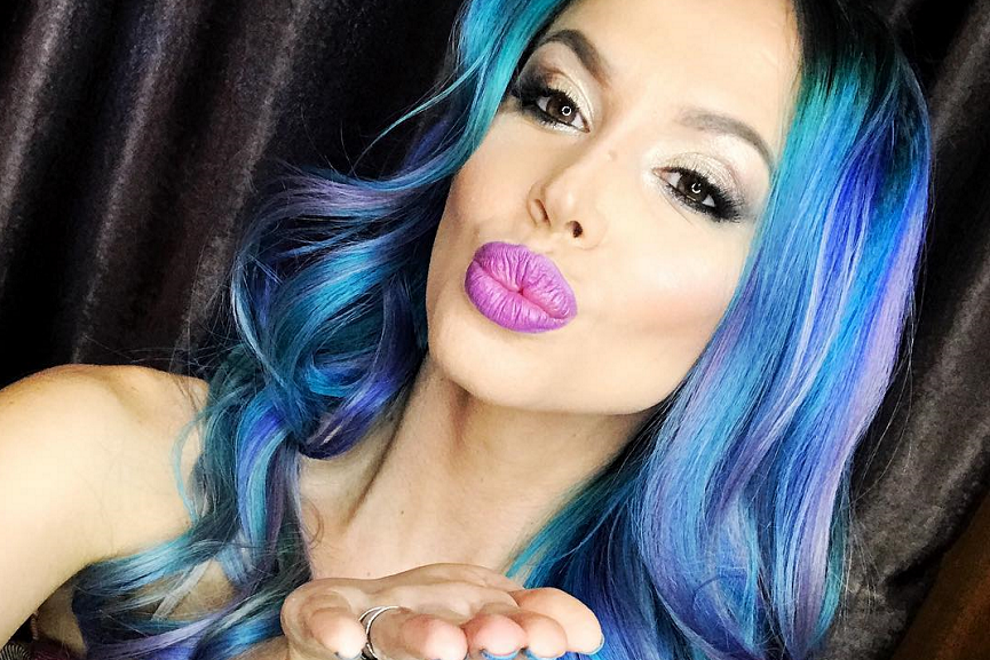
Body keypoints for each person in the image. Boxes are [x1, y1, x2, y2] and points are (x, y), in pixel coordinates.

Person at [0, 0, 932, 658]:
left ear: (784, 318)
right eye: (556, 102)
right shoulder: (96, 448)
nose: (566, 193)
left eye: (694, 186)